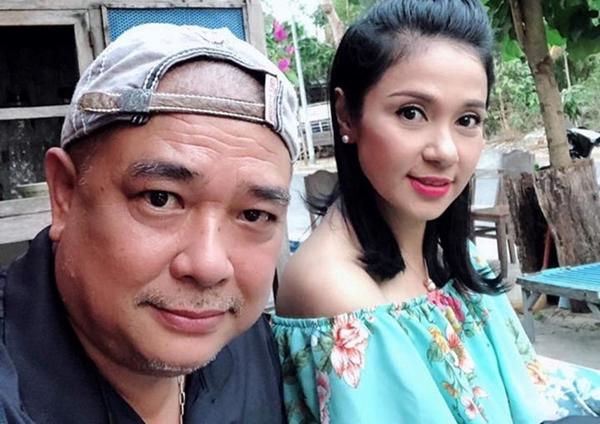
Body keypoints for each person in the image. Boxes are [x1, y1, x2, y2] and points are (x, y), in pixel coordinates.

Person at [273, 1, 600, 423]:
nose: (445, 152)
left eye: (467, 119)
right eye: (411, 113)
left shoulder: (447, 250)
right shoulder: (335, 292)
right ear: (346, 115)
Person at [0, 23, 299, 423]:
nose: (209, 267)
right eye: (160, 199)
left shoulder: (253, 348)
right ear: (65, 195)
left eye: (254, 215)